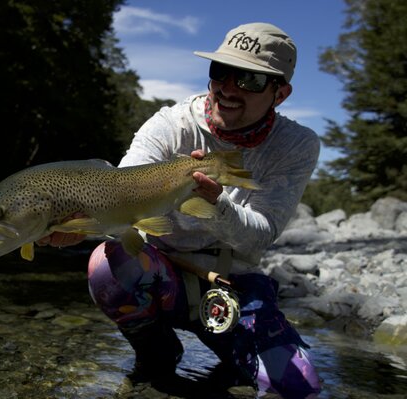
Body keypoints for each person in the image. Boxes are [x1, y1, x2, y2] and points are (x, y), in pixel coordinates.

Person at [39, 22, 322, 398]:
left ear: (280, 93)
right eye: (221, 72)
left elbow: (260, 235)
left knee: (296, 388)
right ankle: (157, 356)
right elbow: (119, 193)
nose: (229, 88)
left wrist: (216, 204)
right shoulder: (168, 125)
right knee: (107, 264)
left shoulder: (297, 145)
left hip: (233, 281)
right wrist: (76, 224)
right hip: (160, 275)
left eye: (251, 80)